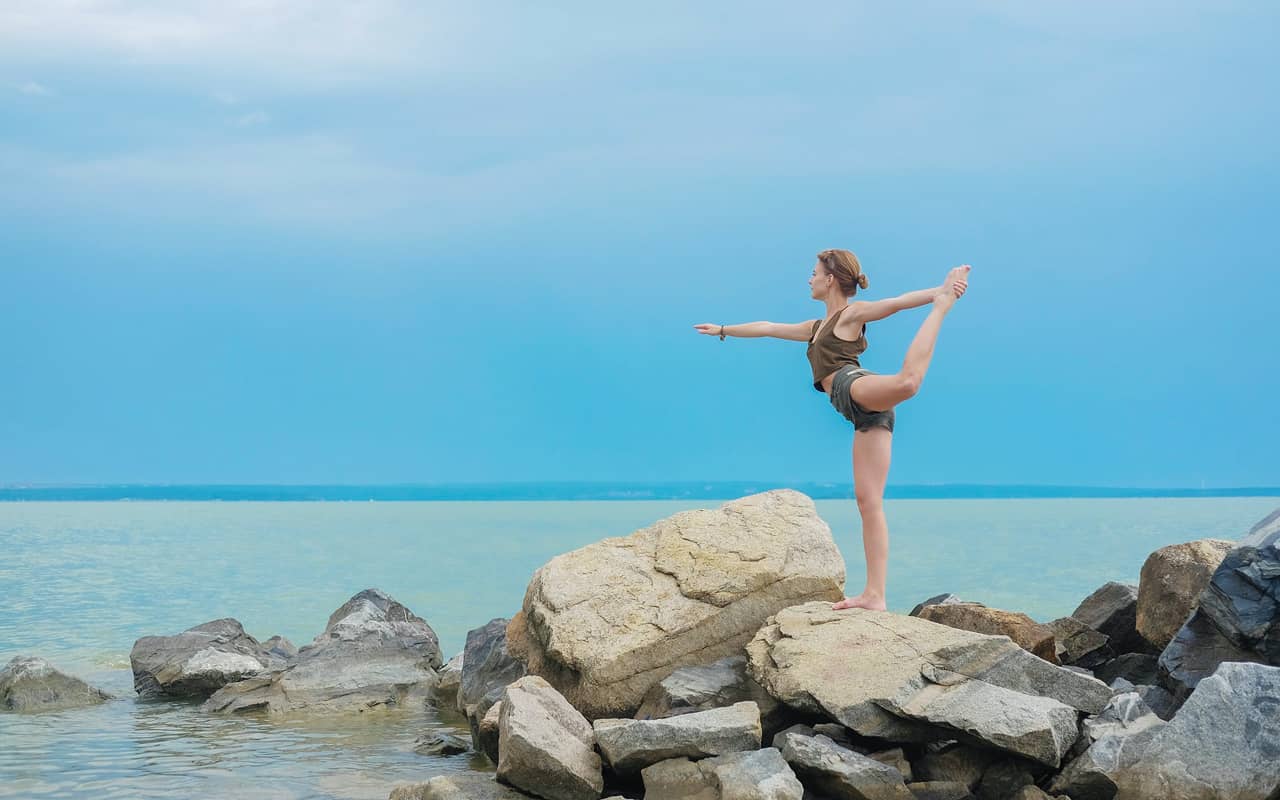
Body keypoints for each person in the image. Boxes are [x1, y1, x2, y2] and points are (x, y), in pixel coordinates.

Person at [694, 250, 969, 611]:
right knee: (868, 502)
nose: (809, 279)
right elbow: (768, 328)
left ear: (830, 279)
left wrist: (939, 293)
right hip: (860, 413)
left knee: (907, 384)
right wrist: (724, 330)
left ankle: (942, 311)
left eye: (813, 273)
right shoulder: (815, 328)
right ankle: (875, 595)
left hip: (851, 385)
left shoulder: (850, 315)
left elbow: (896, 304)